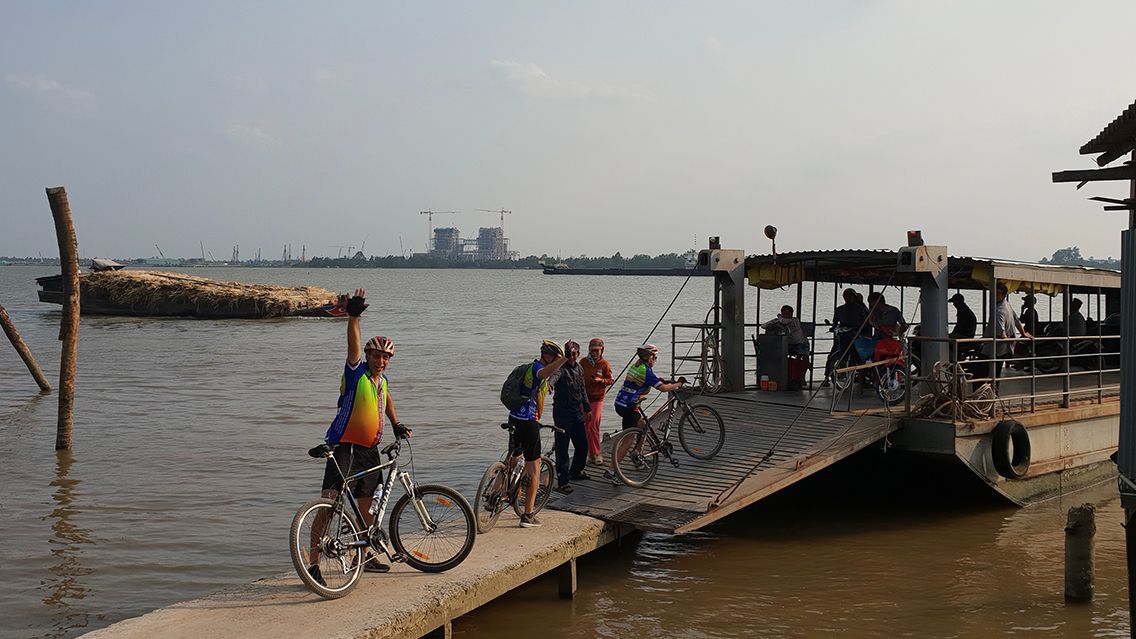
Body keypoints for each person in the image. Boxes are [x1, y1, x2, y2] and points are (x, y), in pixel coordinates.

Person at [308, 288, 411, 586]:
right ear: (368, 356)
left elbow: (387, 399)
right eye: (377, 356)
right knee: (329, 505)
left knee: (367, 507)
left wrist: (397, 423)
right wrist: (353, 318)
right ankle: (313, 561)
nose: (381, 361)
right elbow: (352, 347)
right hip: (345, 448)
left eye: (386, 357)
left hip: (370, 450)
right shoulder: (357, 373)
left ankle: (363, 558)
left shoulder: (382, 380)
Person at [508, 340, 567, 528]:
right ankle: (528, 516)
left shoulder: (529, 368)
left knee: (513, 457)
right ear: (549, 356)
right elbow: (543, 374)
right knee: (535, 469)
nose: (557, 362)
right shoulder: (537, 368)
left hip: (514, 417)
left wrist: (547, 387)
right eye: (556, 358)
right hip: (527, 422)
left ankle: (496, 493)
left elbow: (539, 384)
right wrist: (565, 359)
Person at [613, 344, 686, 431]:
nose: (656, 360)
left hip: (620, 403)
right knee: (629, 439)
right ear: (651, 358)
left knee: (643, 428)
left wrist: (657, 380)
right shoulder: (646, 372)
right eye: (655, 358)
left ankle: (638, 443)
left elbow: (637, 381)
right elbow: (663, 388)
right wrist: (679, 384)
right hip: (630, 406)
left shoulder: (636, 366)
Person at [551, 340, 589, 494]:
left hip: (576, 412)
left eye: (574, 354)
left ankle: (575, 471)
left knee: (582, 445)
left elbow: (582, 388)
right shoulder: (560, 368)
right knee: (562, 448)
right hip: (562, 412)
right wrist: (550, 385)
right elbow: (553, 377)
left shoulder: (579, 368)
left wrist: (587, 407)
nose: (572, 357)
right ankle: (563, 481)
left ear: (578, 354)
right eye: (569, 354)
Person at [980, 282, 1032, 385]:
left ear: (1003, 295)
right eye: (993, 293)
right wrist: (1023, 332)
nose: (994, 296)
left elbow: (1000, 332)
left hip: (995, 349)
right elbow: (1017, 320)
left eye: (997, 294)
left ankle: (982, 396)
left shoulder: (999, 310)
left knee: (980, 374)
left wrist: (1004, 336)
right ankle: (992, 394)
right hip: (1004, 349)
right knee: (995, 374)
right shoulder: (1007, 305)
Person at [580, 337, 614, 466]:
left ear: (602, 350)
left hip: (597, 399)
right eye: (591, 350)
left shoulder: (604, 364)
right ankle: (589, 453)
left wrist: (601, 381)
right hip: (584, 399)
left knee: (593, 426)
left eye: (596, 350)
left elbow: (611, 380)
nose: (594, 353)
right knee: (585, 427)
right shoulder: (583, 362)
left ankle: (596, 453)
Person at [824, 288, 869, 385]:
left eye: (850, 296)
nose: (848, 298)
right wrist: (834, 328)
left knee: (860, 357)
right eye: (846, 296)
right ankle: (827, 376)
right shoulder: (840, 309)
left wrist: (859, 329)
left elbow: (866, 321)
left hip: (856, 335)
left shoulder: (860, 308)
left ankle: (863, 378)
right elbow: (835, 322)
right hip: (842, 335)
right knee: (833, 354)